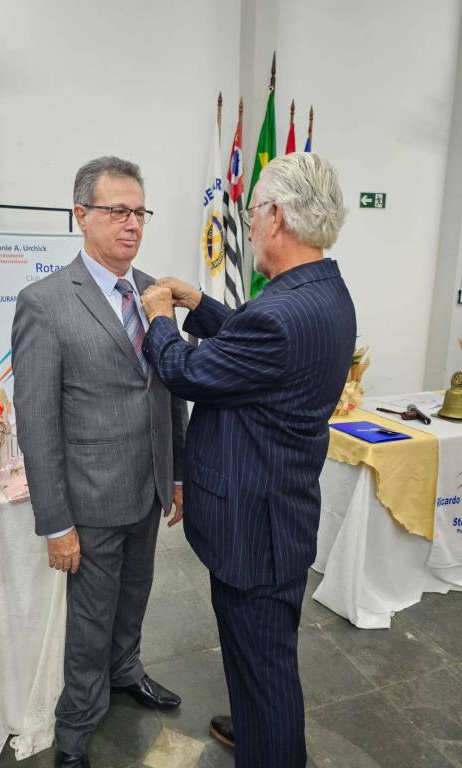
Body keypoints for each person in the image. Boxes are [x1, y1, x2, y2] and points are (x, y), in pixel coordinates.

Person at [140, 152, 357, 768]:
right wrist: (200, 303)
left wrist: (161, 319)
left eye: (254, 212)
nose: (250, 225)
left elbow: (185, 370)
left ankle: (272, 746)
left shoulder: (281, 315)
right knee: (257, 654)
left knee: (265, 667)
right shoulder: (323, 292)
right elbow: (252, 341)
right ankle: (258, 727)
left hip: (254, 529)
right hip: (278, 512)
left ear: (277, 217)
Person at [12, 156, 188, 768]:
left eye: (139, 212)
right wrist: (56, 522)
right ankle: (76, 729)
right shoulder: (45, 302)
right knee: (89, 620)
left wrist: (176, 474)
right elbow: (37, 421)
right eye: (117, 211)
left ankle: (126, 671)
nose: (131, 223)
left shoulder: (154, 294)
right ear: (81, 215)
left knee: (136, 595)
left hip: (147, 487)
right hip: (89, 498)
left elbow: (169, 387)